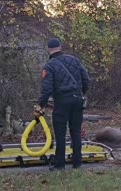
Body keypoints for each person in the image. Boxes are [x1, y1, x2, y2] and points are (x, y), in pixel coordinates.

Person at [36, 38, 90, 171]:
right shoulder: (74, 60)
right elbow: (86, 79)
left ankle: (60, 164)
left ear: (49, 49)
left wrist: (40, 105)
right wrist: (82, 93)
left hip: (62, 101)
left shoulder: (49, 66)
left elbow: (47, 89)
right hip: (77, 100)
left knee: (60, 133)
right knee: (76, 132)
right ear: (60, 47)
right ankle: (77, 163)